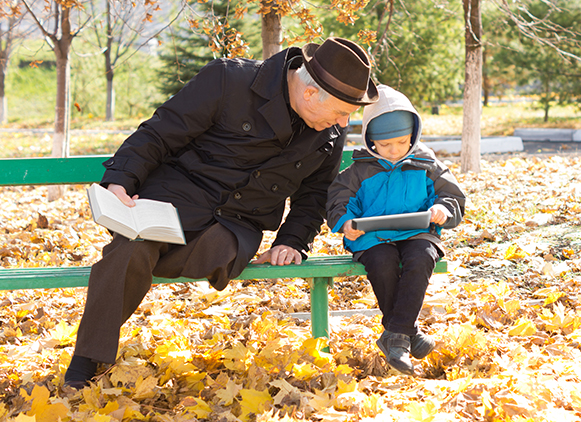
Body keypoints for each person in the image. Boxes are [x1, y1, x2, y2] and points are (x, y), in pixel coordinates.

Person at [63, 37, 379, 389]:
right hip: (173, 202)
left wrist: (292, 241)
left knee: (194, 251)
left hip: (234, 227)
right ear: (309, 94)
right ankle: (86, 358)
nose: (344, 120)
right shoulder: (228, 79)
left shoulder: (329, 132)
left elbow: (314, 196)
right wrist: (120, 181)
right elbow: (159, 134)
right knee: (132, 249)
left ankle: (148, 258)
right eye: (340, 111)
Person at [326, 85, 466, 375]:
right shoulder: (359, 169)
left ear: (413, 136)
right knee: (383, 262)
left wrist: (443, 209)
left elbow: (452, 196)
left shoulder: (426, 164)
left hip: (418, 233)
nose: (394, 151)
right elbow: (339, 200)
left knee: (422, 256)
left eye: (402, 142)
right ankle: (407, 335)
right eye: (384, 144)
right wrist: (346, 223)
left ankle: (395, 337)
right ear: (370, 141)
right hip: (372, 238)